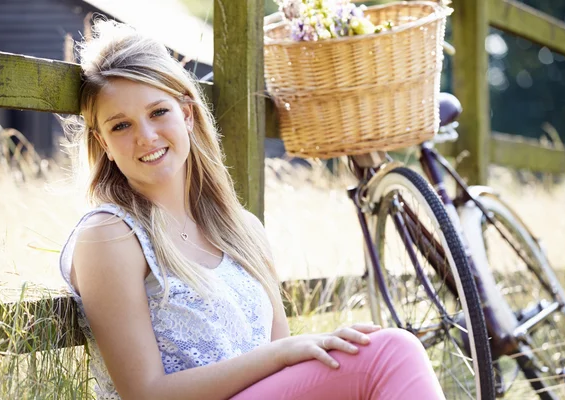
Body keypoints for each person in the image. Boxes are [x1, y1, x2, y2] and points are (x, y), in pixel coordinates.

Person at [59, 19, 446, 400]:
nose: (146, 136)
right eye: (121, 126)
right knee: (392, 352)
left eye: (159, 112)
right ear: (103, 143)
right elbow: (146, 393)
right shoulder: (111, 237)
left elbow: (291, 374)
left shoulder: (242, 229)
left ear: (188, 115)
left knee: (377, 349)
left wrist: (285, 355)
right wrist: (275, 356)